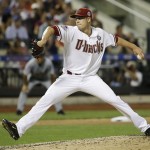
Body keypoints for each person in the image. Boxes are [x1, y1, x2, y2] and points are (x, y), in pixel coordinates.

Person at [2, 7, 150, 140]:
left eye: (80, 18)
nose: (77, 20)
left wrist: (135, 47)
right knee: (44, 101)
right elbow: (51, 28)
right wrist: (43, 41)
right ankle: (18, 129)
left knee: (116, 100)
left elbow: (117, 40)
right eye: (76, 18)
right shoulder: (71, 31)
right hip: (68, 78)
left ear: (89, 19)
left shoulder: (101, 34)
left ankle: (145, 126)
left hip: (91, 79)